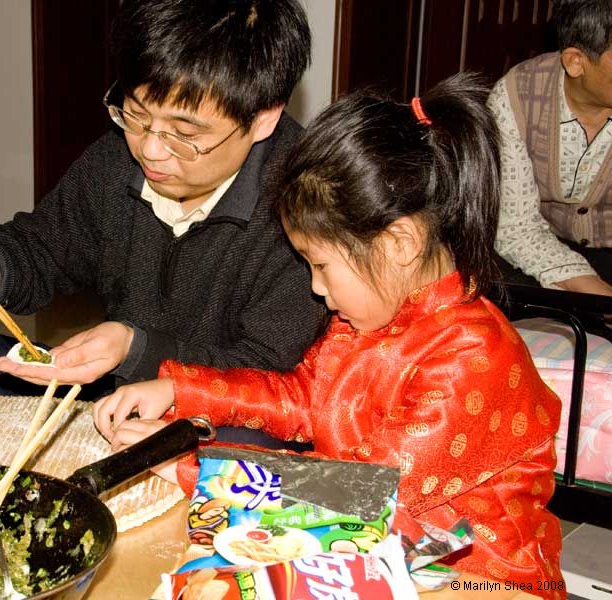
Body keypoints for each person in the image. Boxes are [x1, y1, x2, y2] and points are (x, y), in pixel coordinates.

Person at [93, 74, 563, 596]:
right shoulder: (363, 322)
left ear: (398, 243)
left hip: (476, 579)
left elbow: (362, 493)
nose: (317, 289)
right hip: (382, 550)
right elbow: (302, 399)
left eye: (320, 265)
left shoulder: (473, 358)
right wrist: (181, 391)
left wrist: (194, 468)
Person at [0, 0, 327, 411]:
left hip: (224, 408)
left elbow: (271, 377)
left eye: (183, 134)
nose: (150, 150)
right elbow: (45, 245)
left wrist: (137, 350)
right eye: (136, 114)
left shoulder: (307, 205)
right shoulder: (116, 159)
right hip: (117, 383)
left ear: (263, 119)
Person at [491, 0, 612, 296]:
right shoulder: (515, 96)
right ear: (575, 61)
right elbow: (515, 228)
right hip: (535, 247)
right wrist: (597, 294)